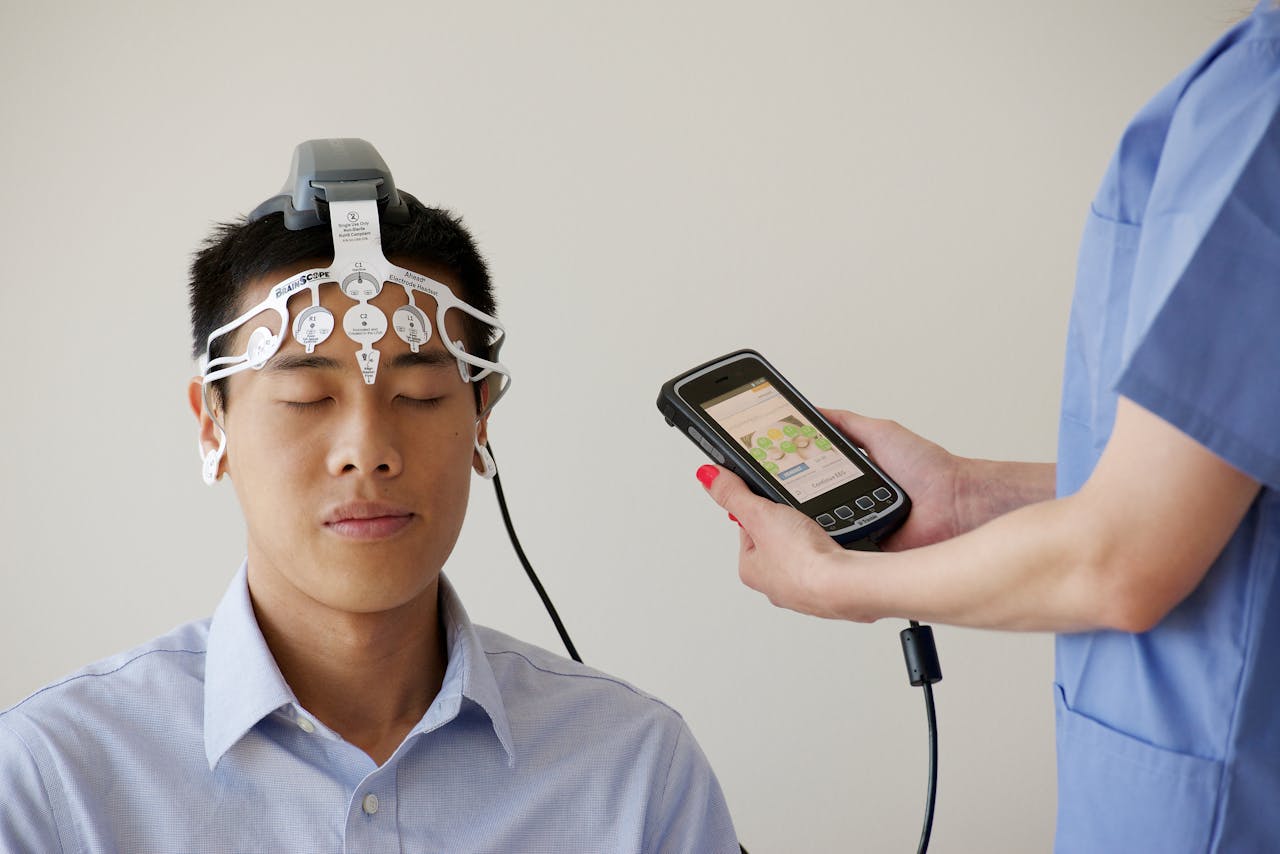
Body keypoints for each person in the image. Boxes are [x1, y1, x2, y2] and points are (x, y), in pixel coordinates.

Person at [0, 140, 739, 853]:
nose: (369, 452)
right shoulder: (52, 778)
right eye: (305, 396)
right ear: (212, 422)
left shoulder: (636, 770)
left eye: (419, 394)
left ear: (481, 415)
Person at [697, 4, 1280, 851]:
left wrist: (839, 584)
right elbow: (1223, 479)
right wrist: (969, 498)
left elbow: (1126, 560)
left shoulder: (1262, 99)